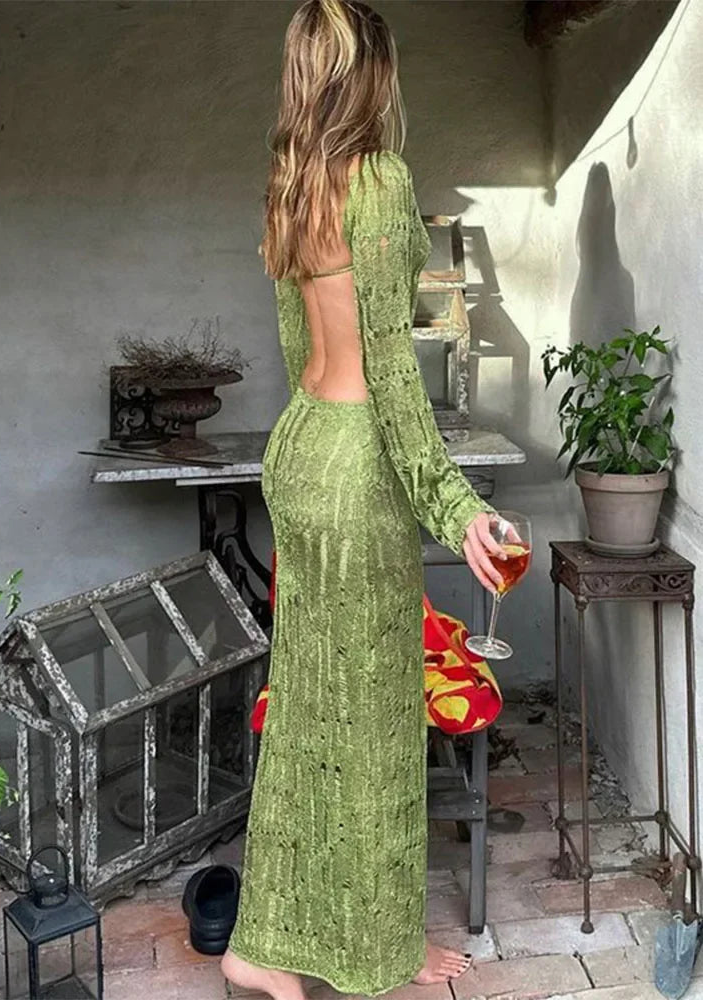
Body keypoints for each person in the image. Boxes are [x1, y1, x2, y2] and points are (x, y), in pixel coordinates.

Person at [222, 2, 506, 997]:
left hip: (300, 447)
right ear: (372, 73)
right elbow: (391, 372)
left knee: (308, 710)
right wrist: (456, 507)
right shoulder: (378, 182)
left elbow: (296, 346)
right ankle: (379, 950)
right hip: (353, 462)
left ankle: (262, 945)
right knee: (377, 721)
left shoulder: (291, 182)